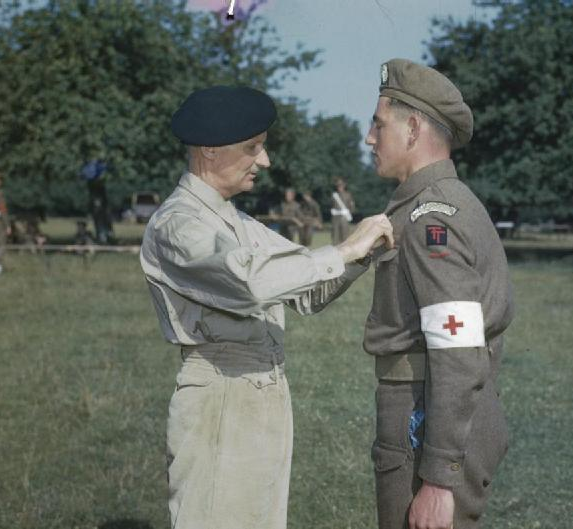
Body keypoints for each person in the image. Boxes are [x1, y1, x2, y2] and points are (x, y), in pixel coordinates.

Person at [139, 85, 393, 529]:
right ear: (211, 152)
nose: (266, 161)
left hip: (264, 387)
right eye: (253, 148)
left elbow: (307, 292)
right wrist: (344, 250)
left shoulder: (239, 223)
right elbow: (250, 283)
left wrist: (362, 256)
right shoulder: (177, 224)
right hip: (221, 391)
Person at [363, 58, 515, 529]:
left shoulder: (431, 219)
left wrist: (438, 479)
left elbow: (457, 349)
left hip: (425, 419)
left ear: (412, 129)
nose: (370, 138)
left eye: (378, 124)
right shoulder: (440, 204)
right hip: (433, 414)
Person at [330, 176, 355, 244]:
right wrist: (333, 211)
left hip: (344, 218)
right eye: (338, 185)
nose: (339, 187)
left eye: (341, 185)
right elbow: (332, 206)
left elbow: (352, 206)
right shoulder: (334, 195)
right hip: (336, 218)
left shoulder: (348, 195)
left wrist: (348, 212)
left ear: (344, 185)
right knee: (335, 236)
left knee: (345, 236)